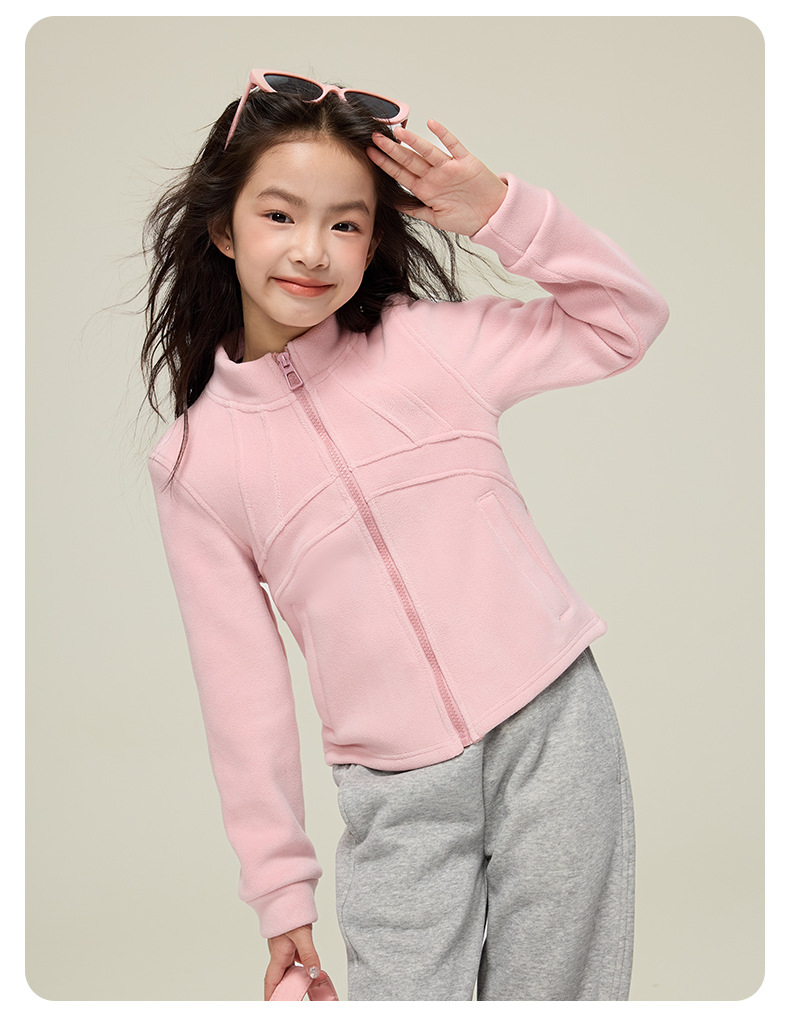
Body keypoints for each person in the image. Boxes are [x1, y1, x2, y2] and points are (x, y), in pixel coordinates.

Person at [141, 68, 669, 1001]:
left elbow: (625, 321)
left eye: (346, 224)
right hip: (394, 790)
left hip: (552, 728)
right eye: (279, 215)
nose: (312, 250)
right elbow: (241, 690)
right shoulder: (195, 462)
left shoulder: (428, 344)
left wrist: (498, 211)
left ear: (374, 238)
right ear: (223, 228)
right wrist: (279, 889)